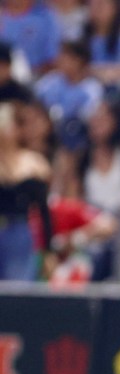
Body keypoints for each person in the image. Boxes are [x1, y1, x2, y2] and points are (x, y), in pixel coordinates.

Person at [0, 101, 54, 281]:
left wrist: (47, 250)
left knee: (17, 287)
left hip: (19, 231)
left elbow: (43, 210)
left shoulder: (34, 162)